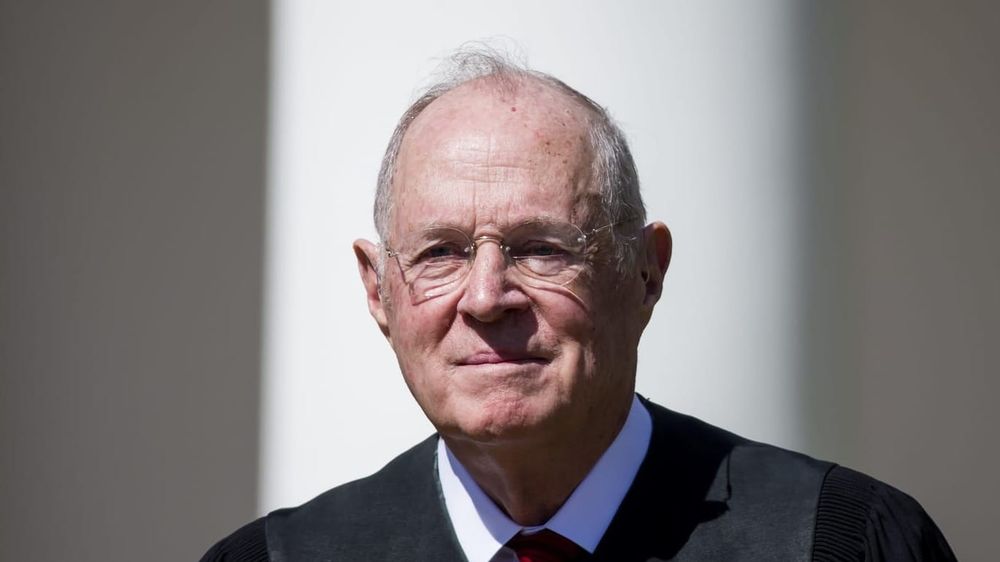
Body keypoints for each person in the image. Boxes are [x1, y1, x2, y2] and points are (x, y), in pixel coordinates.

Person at [202, 49, 955, 561]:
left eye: (542, 249)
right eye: (441, 254)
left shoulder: (837, 543)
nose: (486, 297)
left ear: (646, 273)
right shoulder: (280, 558)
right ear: (378, 292)